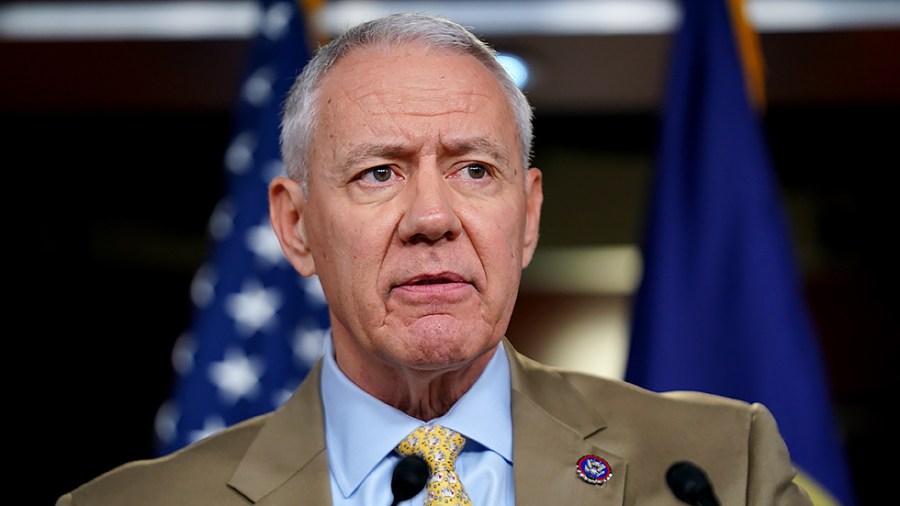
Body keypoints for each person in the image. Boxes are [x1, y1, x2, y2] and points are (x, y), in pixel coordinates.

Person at [57, 12, 813, 506]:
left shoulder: (717, 468)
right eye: (378, 172)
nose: (431, 218)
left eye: (475, 170)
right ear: (294, 227)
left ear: (529, 217)